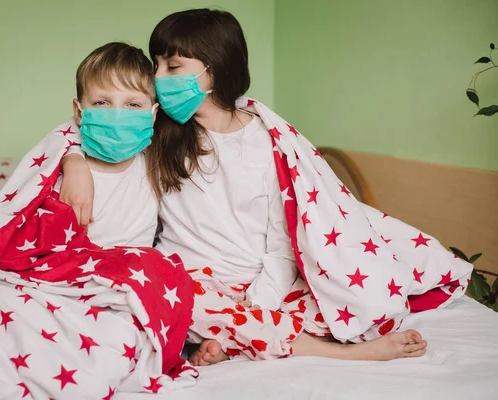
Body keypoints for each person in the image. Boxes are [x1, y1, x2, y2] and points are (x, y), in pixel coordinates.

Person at [60, 9, 428, 366]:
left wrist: (262, 300)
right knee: (172, 299)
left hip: (261, 280)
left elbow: (283, 239)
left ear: (214, 71)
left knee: (351, 307)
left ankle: (231, 338)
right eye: (156, 65)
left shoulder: (267, 141)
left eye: (171, 67)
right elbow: (97, 131)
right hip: (191, 278)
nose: (157, 77)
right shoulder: (156, 130)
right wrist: (73, 161)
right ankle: (344, 354)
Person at [59, 42, 159, 248]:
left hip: (133, 273)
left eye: (133, 104)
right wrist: (71, 159)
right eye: (101, 103)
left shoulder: (156, 166)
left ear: (153, 114)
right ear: (79, 113)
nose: (117, 116)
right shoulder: (61, 171)